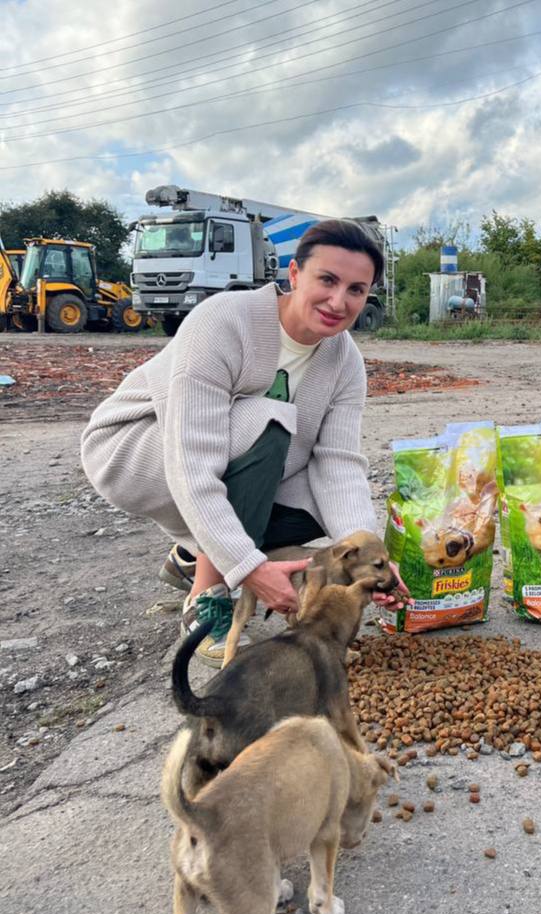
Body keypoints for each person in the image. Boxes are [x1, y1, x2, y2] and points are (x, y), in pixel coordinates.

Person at [81, 219, 405, 666]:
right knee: (268, 420)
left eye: (356, 289)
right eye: (327, 280)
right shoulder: (224, 320)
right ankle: (207, 602)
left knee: (324, 508)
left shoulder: (345, 361)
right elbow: (193, 460)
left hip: (237, 456)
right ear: (294, 275)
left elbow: (338, 464)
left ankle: (194, 553)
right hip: (138, 449)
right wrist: (249, 570)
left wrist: (372, 562)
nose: (339, 301)